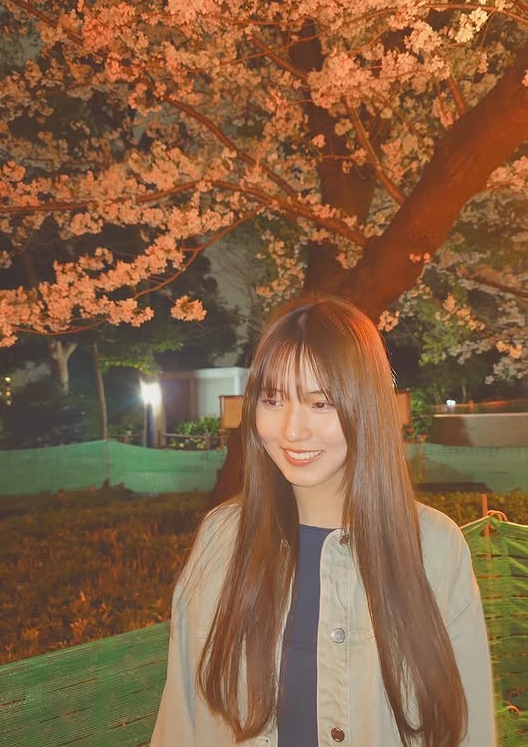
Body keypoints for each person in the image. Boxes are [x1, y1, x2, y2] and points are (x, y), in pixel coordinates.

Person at [150, 295, 497, 747]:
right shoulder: (221, 538)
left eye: (321, 404)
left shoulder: (434, 546)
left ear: (365, 408)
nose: (292, 430)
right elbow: (181, 716)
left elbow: (470, 728)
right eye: (273, 400)